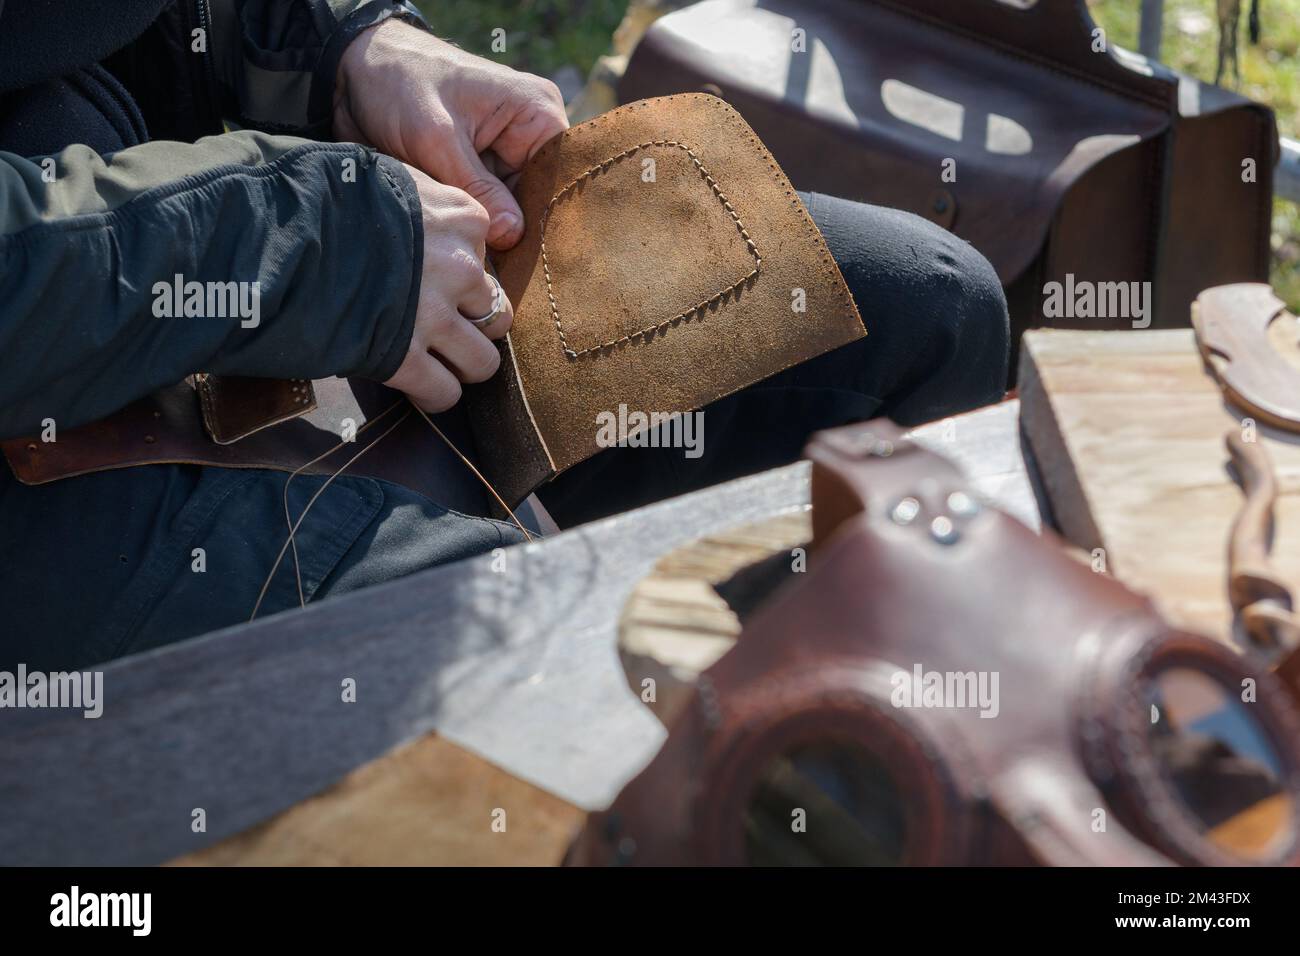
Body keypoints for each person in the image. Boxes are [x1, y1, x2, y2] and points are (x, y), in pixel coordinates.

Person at [0, 1, 1009, 670]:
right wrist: (317, 243)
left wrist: (341, 47)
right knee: (530, 655)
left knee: (921, 311)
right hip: (53, 380)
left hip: (184, 227)